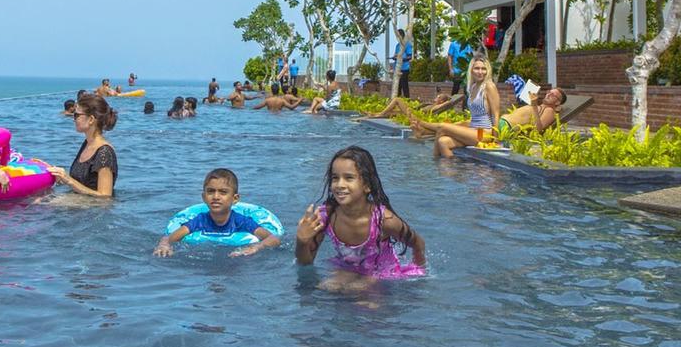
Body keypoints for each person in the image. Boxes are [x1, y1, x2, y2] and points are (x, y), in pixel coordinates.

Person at [295, 145, 426, 285]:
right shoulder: (326, 216)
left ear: (367, 185)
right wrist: (302, 241)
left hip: (381, 274)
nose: (340, 184)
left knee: (361, 295)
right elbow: (305, 263)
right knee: (326, 288)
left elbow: (418, 243)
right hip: (347, 268)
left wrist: (419, 276)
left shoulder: (384, 221)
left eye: (349, 178)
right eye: (335, 178)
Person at [153, 168, 281, 258]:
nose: (216, 196)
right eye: (210, 191)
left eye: (223, 192)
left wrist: (256, 247)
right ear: (204, 197)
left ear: (235, 199)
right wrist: (164, 245)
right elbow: (169, 237)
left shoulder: (242, 221)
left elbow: (273, 239)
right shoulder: (199, 220)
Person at [421, 55, 501, 158]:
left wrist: (495, 140)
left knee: (442, 127)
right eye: (477, 68)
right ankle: (450, 172)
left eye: (483, 69)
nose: (480, 72)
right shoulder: (472, 87)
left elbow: (496, 114)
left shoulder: (489, 86)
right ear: (471, 70)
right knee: (443, 142)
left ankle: (422, 126)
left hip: (484, 132)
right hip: (472, 131)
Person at [47, 94, 118, 198]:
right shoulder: (87, 144)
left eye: (76, 115)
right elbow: (81, 184)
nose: (73, 119)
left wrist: (68, 180)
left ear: (91, 120)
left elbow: (105, 198)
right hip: (80, 205)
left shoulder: (104, 152)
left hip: (93, 211)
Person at [496, 86, 567, 137]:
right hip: (499, 122)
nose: (548, 95)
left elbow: (538, 129)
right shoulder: (538, 106)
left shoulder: (549, 110)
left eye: (553, 95)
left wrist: (534, 105)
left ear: (557, 102)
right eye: (549, 92)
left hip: (506, 127)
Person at [363, 90, 459, 121]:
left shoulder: (437, 107)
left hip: (415, 115)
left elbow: (449, 103)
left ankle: (379, 114)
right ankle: (374, 114)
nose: (436, 98)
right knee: (393, 112)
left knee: (397, 100)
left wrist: (449, 100)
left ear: (441, 101)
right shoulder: (433, 104)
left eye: (438, 97)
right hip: (414, 112)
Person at [446, 39, 472, 106]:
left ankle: (465, 110)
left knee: (467, 91)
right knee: (455, 89)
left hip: (467, 71)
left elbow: (471, 57)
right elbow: (449, 56)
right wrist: (451, 69)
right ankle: (450, 107)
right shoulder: (453, 44)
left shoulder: (468, 44)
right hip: (457, 71)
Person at [390, 29, 413, 99]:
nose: (397, 37)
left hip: (404, 68)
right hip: (397, 69)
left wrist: (401, 59)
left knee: (404, 85)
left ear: (401, 35)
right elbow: (396, 55)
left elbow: (409, 57)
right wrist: (394, 57)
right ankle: (397, 100)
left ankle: (407, 100)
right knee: (397, 86)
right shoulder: (397, 45)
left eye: (398, 35)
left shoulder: (407, 44)